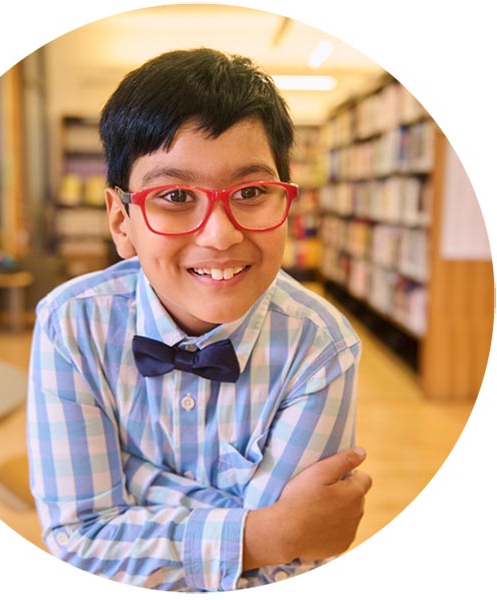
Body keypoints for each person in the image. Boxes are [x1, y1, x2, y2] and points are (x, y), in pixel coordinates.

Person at [27, 47, 372, 592]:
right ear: (122, 221)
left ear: (288, 202)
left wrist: (133, 482)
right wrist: (262, 533)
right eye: (175, 196)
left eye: (252, 192)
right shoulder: (71, 326)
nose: (219, 234)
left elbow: (287, 569)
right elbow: (78, 541)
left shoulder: (320, 347)